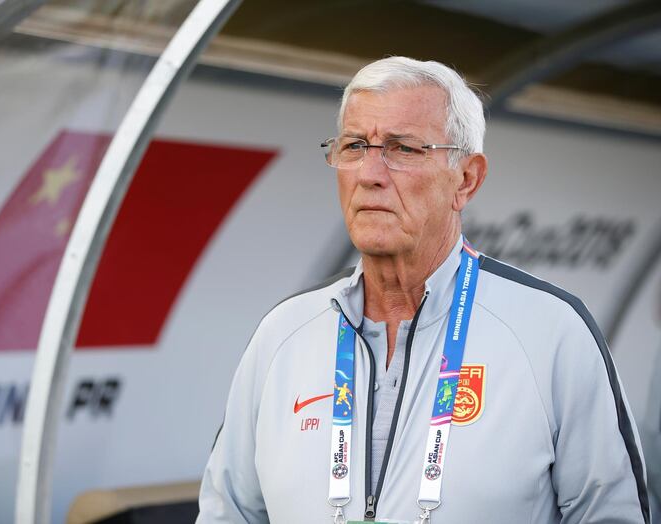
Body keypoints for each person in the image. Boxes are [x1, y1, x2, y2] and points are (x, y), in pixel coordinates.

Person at [196, 56, 649, 523]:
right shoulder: (283, 333)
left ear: (466, 180)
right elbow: (227, 512)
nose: (370, 174)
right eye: (355, 145)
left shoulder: (552, 332)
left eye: (402, 149)